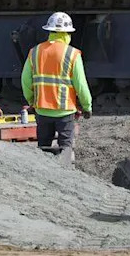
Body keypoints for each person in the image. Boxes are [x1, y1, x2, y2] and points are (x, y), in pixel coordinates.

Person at [21, 12, 92, 157]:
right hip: (65, 112)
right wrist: (87, 106)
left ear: (49, 31)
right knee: (65, 149)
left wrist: (32, 101)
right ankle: (64, 176)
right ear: (67, 34)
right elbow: (81, 84)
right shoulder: (72, 54)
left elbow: (25, 81)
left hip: (41, 110)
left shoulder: (35, 52)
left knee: (43, 149)